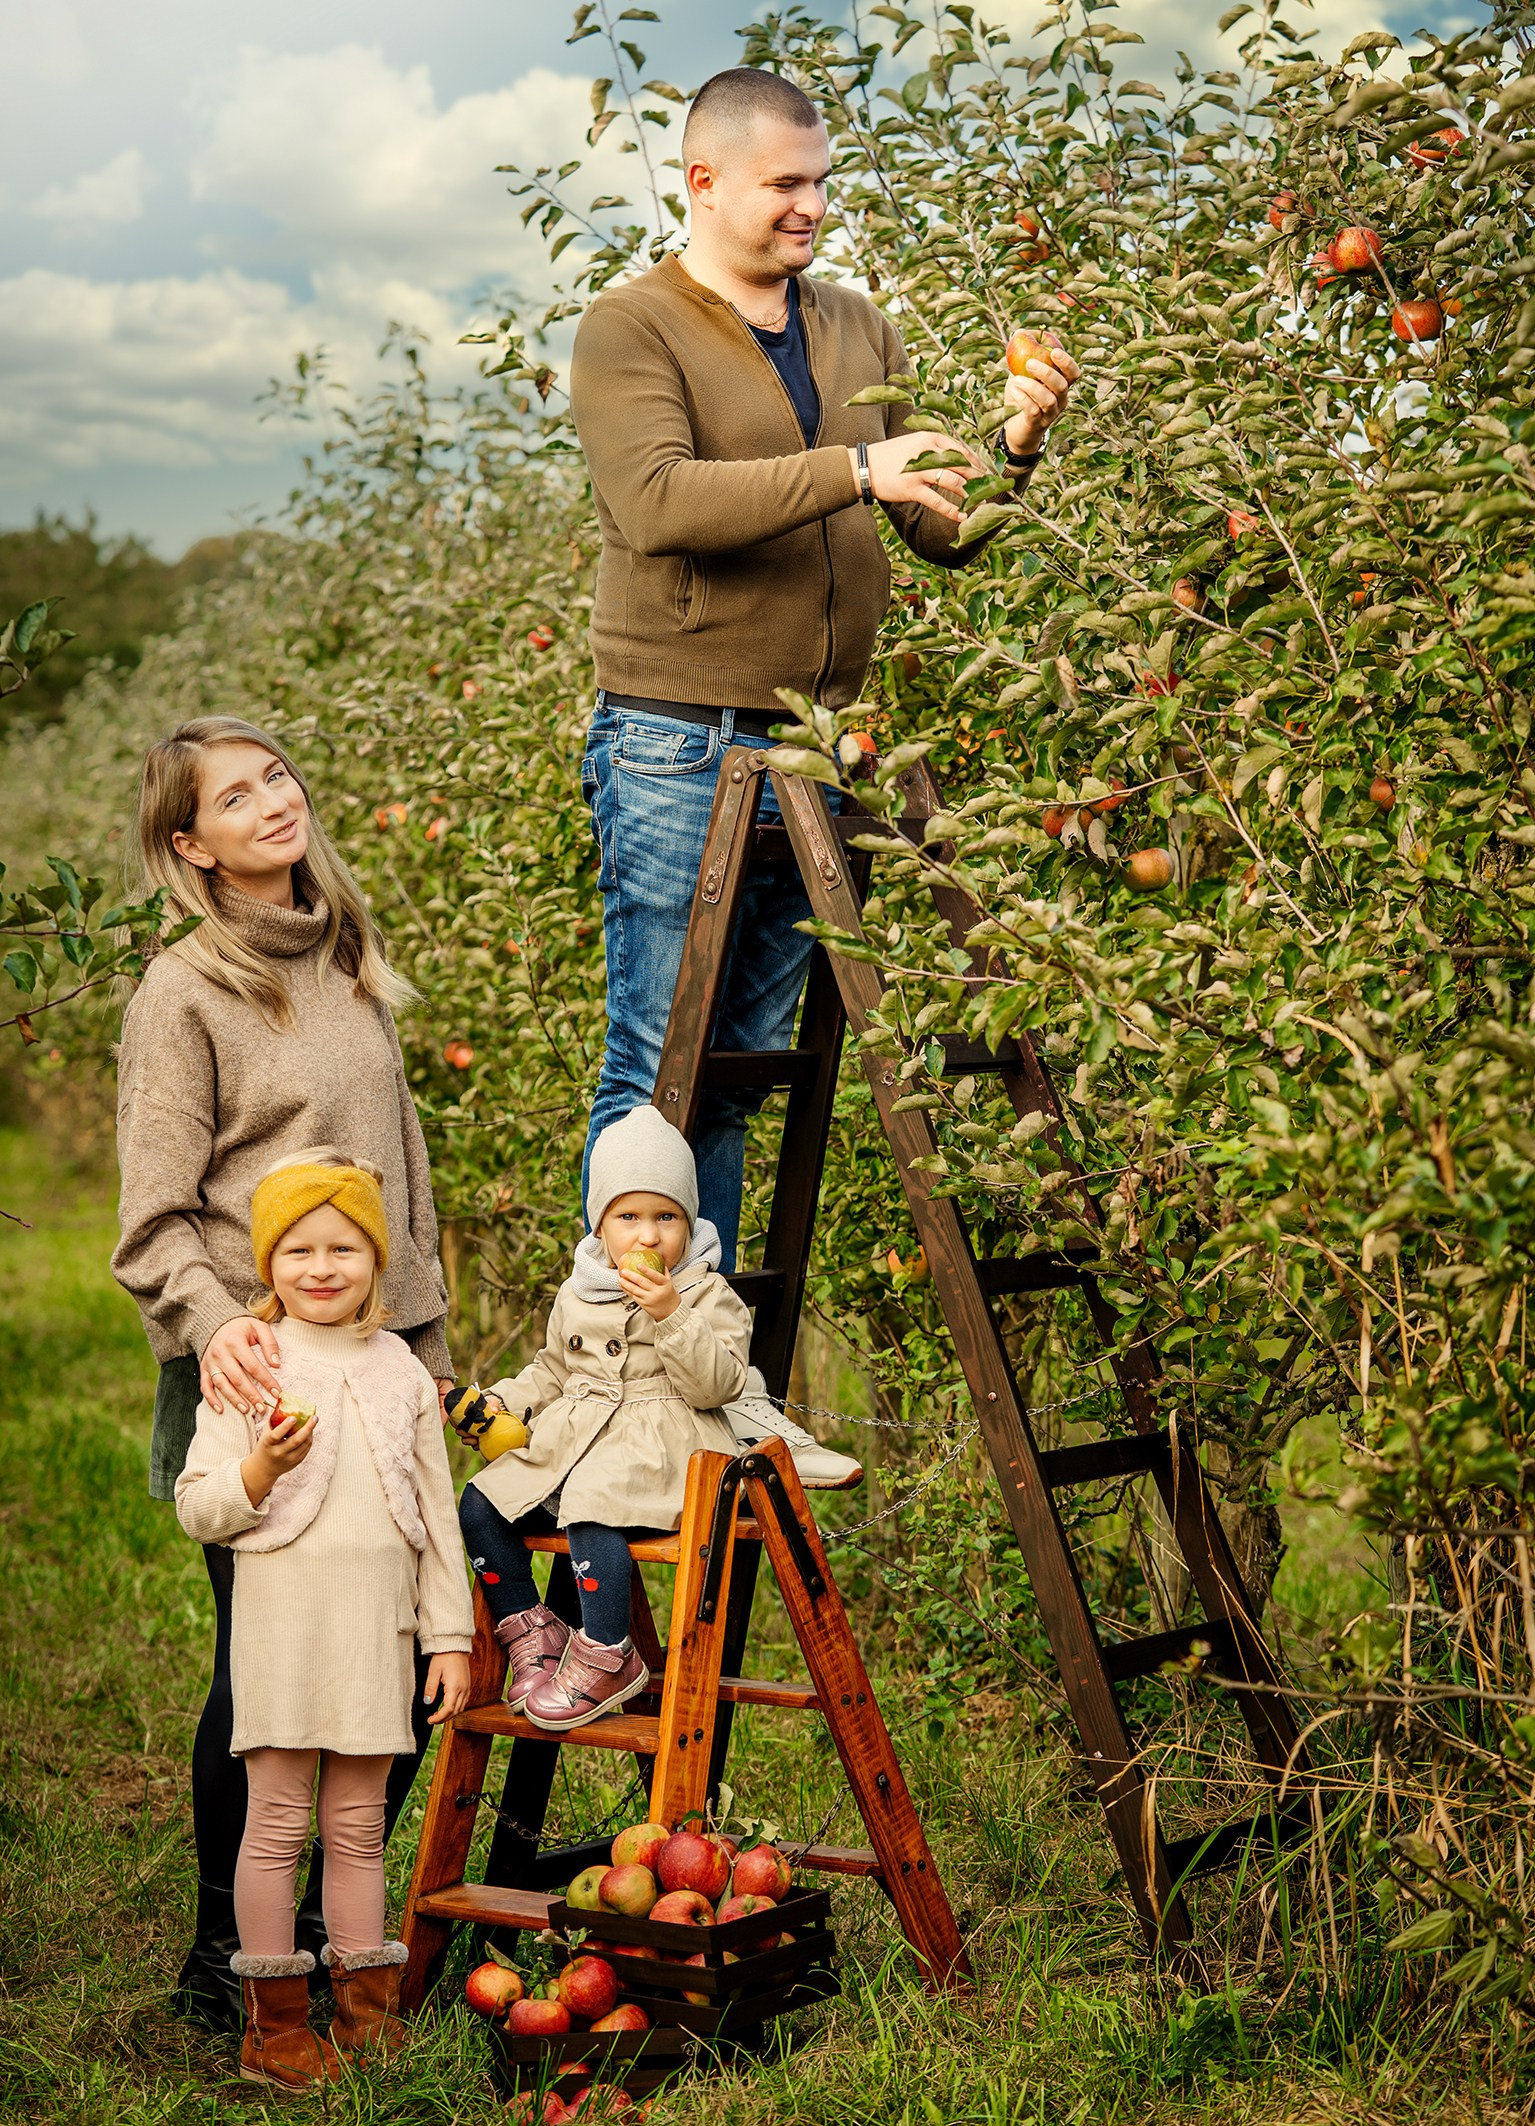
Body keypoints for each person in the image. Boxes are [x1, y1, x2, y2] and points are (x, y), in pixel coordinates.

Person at [569, 66, 1079, 1272]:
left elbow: (939, 533)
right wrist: (854, 469)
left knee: (736, 1068)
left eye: (820, 182)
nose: (810, 206)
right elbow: (656, 503)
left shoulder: (853, 325)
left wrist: (1013, 443)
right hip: (678, 739)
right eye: (784, 184)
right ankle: (630, 1350)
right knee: (656, 1071)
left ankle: (711, 1344)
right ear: (702, 182)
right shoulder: (630, 327)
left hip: (810, 744)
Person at [111, 715, 457, 2030]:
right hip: (261, 1369)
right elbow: (152, 1217)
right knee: (267, 1673)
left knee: (395, 1654)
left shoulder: (345, 954)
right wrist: (218, 1330)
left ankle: (325, 1931)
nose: (272, 801)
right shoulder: (184, 992)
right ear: (191, 844)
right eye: (233, 796)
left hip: (378, 1362)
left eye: (277, 775)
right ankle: (226, 1954)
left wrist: (425, 1348)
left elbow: (400, 1182)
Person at [175, 1151, 472, 2090]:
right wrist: (261, 1467)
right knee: (274, 1822)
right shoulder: (251, 1364)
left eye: (344, 1247)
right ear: (267, 1261)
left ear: (377, 1259)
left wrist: (450, 1638)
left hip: (375, 1635)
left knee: (356, 1827)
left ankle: (363, 2012)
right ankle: (273, 2027)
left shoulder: (401, 1371)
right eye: (298, 1249)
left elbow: (436, 1517)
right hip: (282, 1631)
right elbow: (199, 1506)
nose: (321, 1267)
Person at [457, 1105, 750, 1729]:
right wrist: (503, 1403)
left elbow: (718, 1384)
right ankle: (533, 1635)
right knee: (481, 1502)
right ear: (600, 1226)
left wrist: (671, 1314)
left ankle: (608, 1652)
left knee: (593, 1503)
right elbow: (552, 1370)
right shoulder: (578, 1291)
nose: (648, 1237)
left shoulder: (706, 1292)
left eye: (667, 1217)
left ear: (690, 1222)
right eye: (628, 1217)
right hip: (577, 1438)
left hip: (664, 1446)